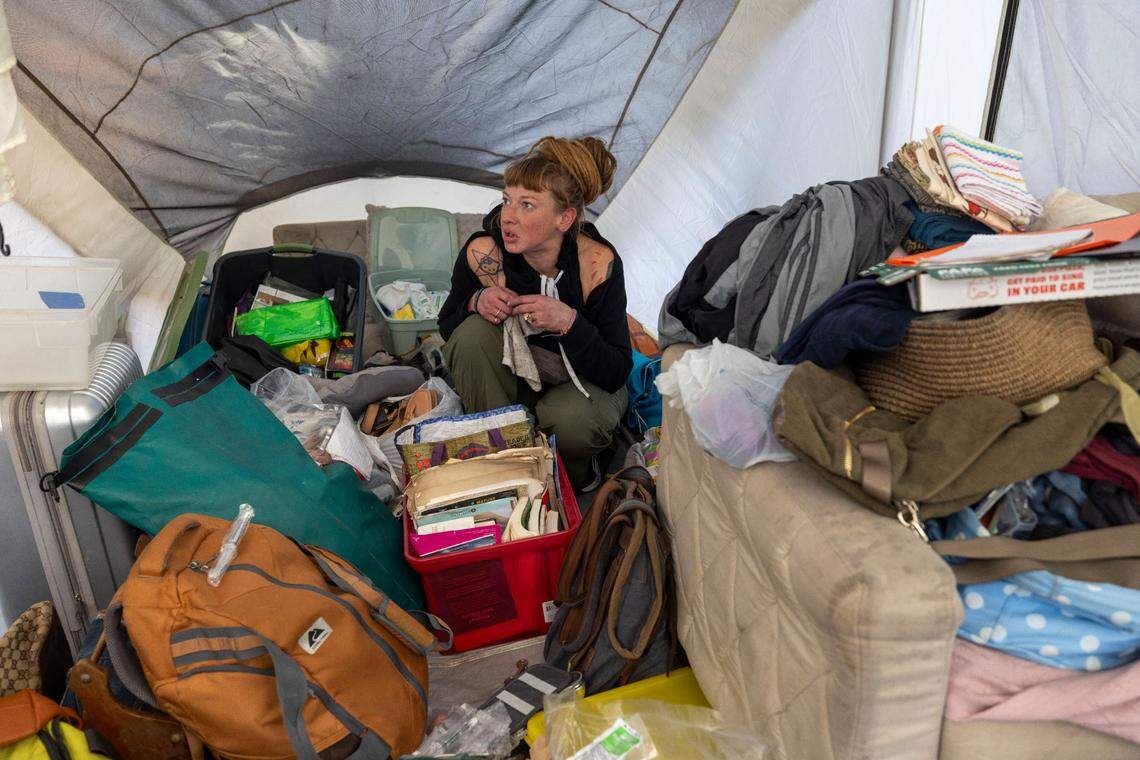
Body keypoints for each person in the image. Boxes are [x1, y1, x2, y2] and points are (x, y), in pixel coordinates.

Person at [438, 136, 632, 489]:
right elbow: (448, 325)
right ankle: (505, 464)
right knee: (471, 335)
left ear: (564, 217)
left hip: (584, 386)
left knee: (570, 423)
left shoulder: (596, 265)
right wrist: (475, 301)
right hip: (521, 378)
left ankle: (575, 476)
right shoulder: (485, 253)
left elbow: (617, 369)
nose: (508, 216)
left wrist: (570, 323)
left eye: (527, 205)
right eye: (507, 200)